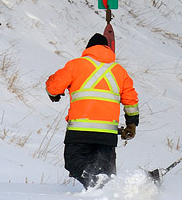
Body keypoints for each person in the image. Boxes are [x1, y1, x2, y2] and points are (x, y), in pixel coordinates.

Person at [45, 33, 139, 189]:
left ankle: (93, 181)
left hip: (80, 130)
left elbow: (53, 87)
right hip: (107, 134)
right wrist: (132, 123)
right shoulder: (120, 71)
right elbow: (131, 100)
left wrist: (54, 94)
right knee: (106, 172)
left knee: (74, 162)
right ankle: (111, 190)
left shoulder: (76, 65)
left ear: (88, 48)